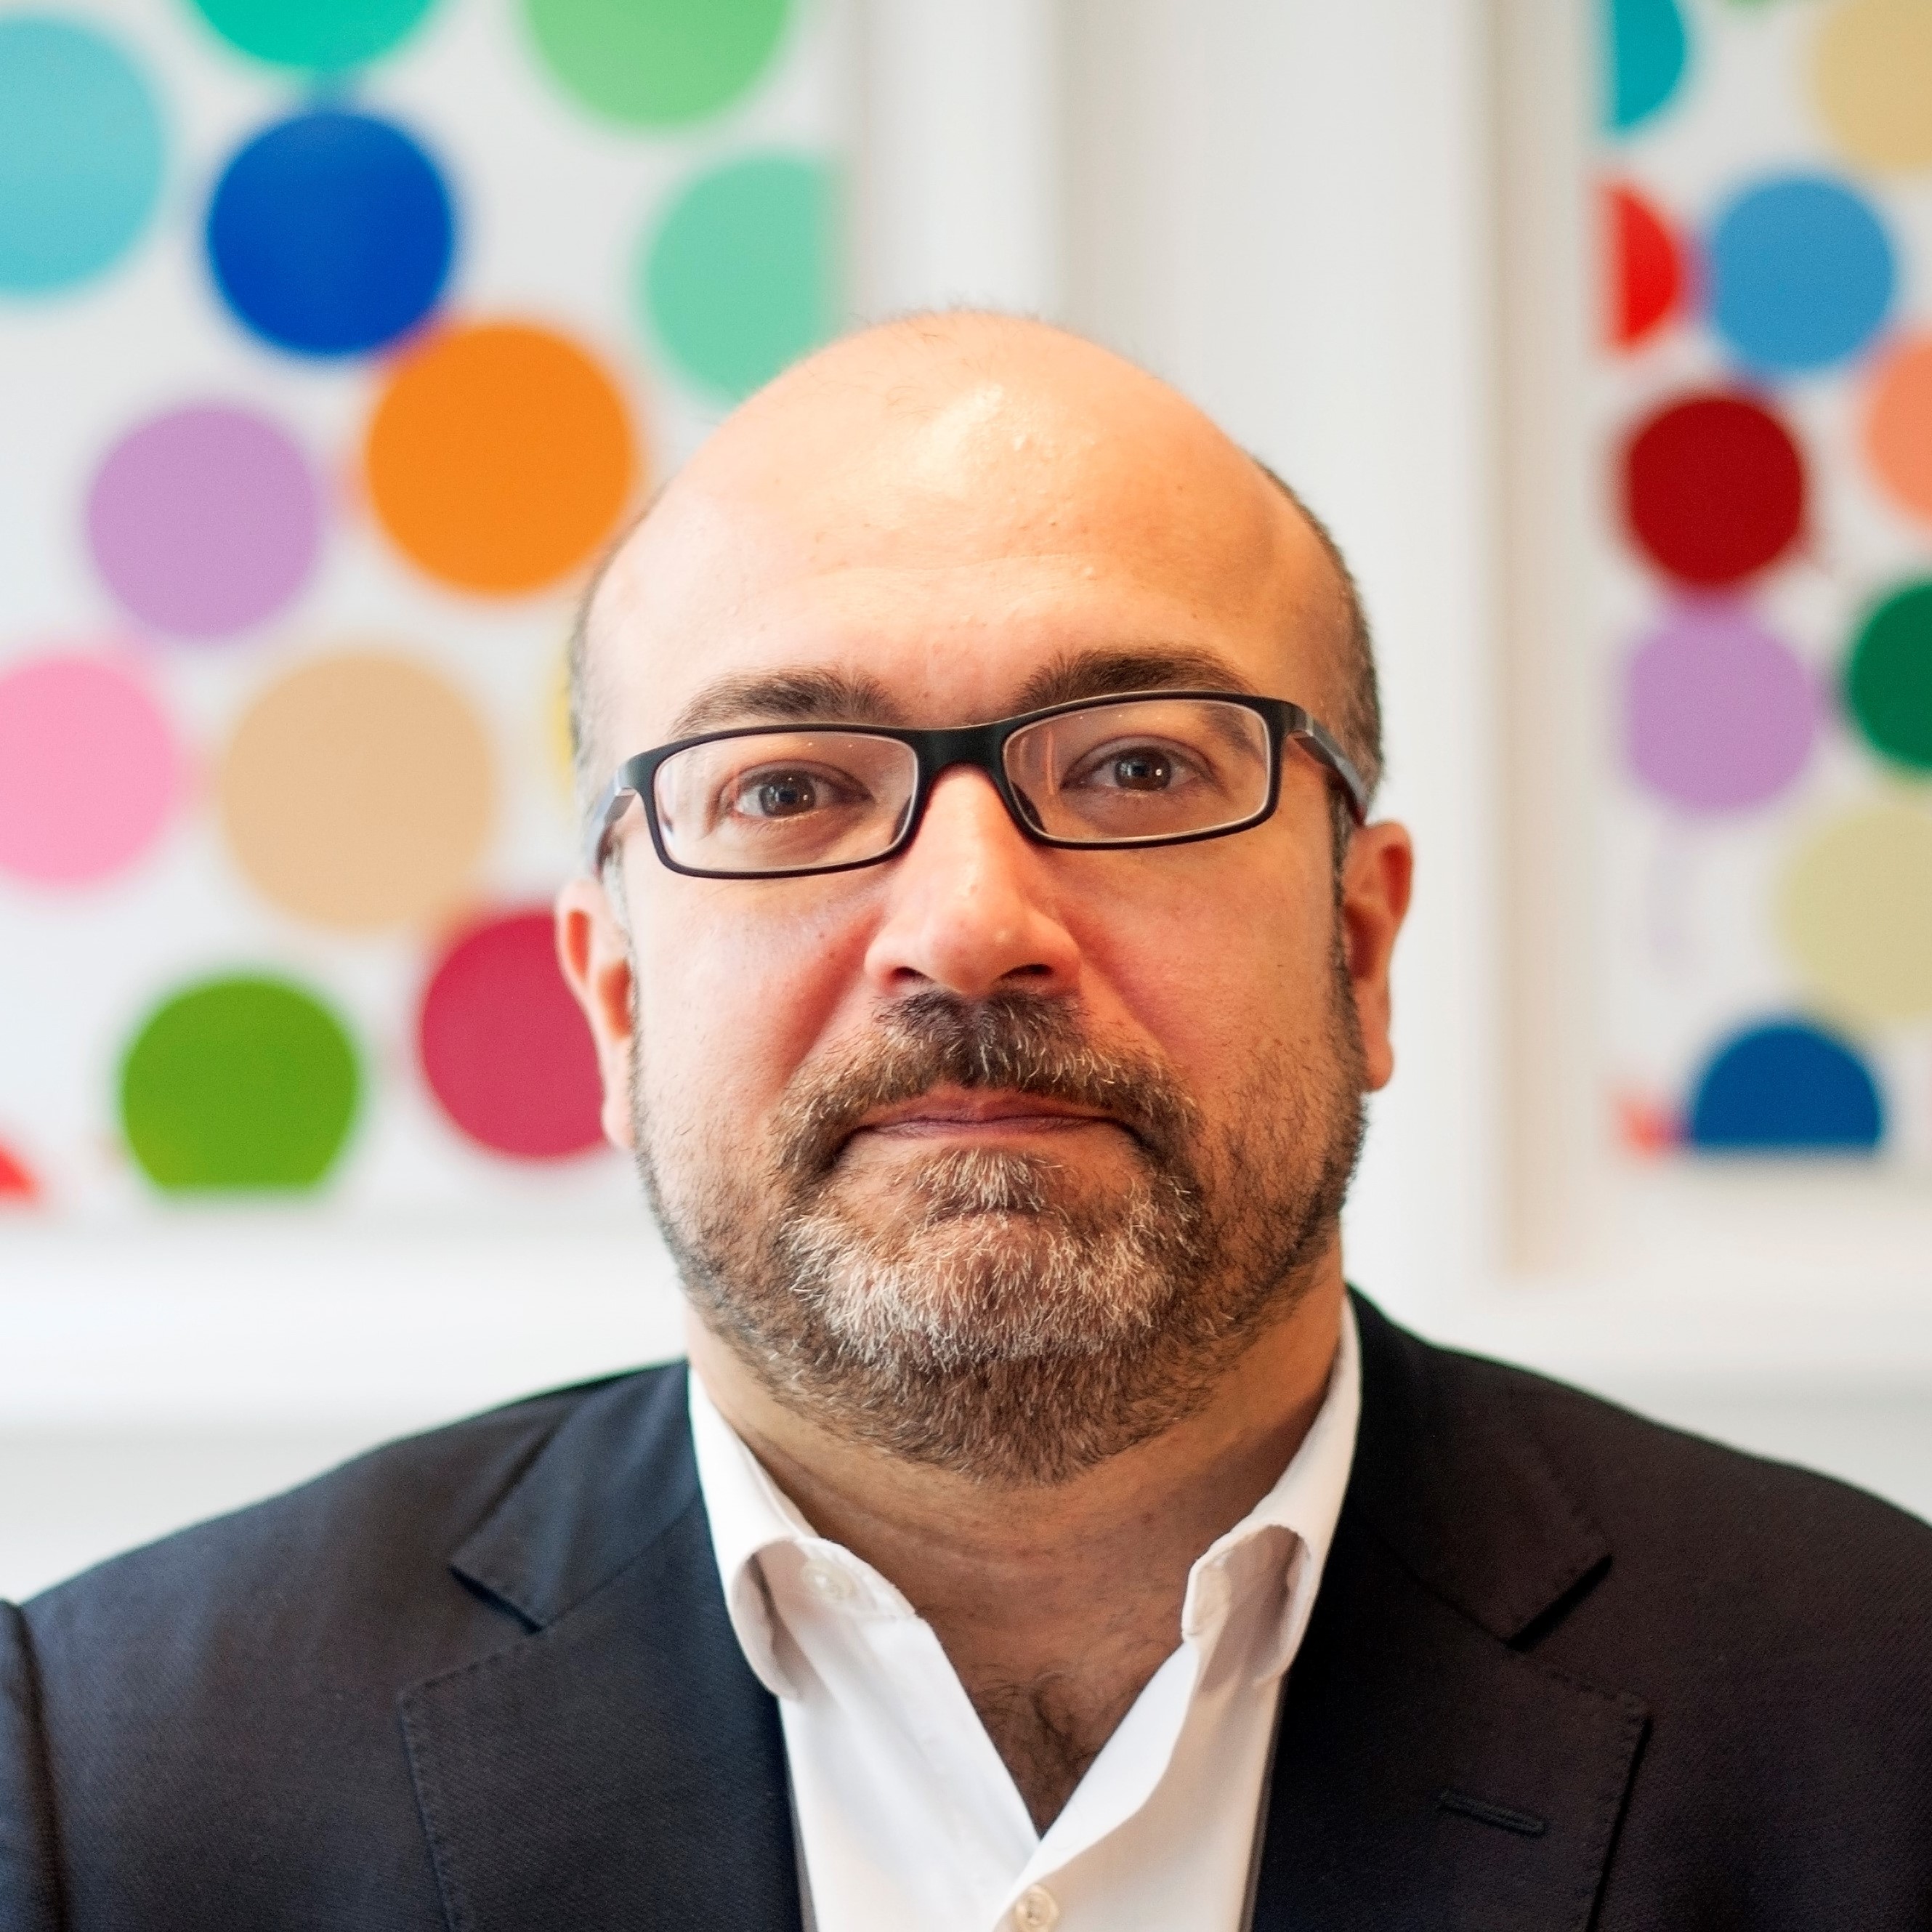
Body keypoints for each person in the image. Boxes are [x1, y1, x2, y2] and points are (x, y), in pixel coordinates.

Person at [4, 314, 1929, 1932]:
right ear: (613, 999)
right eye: (788, 788)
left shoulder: (1880, 1720)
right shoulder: (106, 1791)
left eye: (1135, 763)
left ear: (1359, 945)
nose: (967, 925)